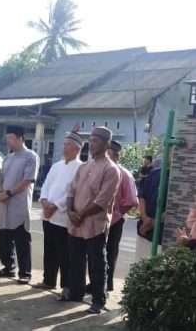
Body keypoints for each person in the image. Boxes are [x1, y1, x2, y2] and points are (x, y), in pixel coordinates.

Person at [65, 127, 120, 314]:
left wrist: (80, 215)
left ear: (106, 144)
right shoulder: (83, 167)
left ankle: (98, 300)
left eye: (95, 140)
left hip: (94, 224)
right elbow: (71, 190)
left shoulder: (111, 169)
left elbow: (102, 201)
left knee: (97, 264)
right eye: (90, 139)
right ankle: (75, 293)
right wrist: (71, 211)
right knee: (75, 260)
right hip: (76, 223)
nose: (91, 143)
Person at [34, 131, 83, 293]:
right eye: (64, 144)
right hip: (48, 214)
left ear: (77, 149)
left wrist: (55, 206)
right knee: (49, 250)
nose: (64, 147)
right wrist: (44, 202)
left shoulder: (80, 168)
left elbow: (73, 192)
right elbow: (46, 185)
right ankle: (48, 280)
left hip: (61, 216)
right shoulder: (57, 165)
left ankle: (66, 286)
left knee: (64, 253)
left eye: (68, 144)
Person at [0, 126, 39, 284]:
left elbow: (27, 180)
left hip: (19, 204)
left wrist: (8, 193)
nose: (8, 142)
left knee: (21, 239)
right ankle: (8, 267)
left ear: (21, 138)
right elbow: (1, 178)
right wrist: (0, 192)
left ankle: (25, 272)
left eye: (11, 138)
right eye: (7, 139)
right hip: (4, 204)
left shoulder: (31, 156)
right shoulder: (8, 158)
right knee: (5, 238)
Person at [104, 141, 138, 291]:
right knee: (97, 253)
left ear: (112, 154)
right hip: (99, 219)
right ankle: (96, 283)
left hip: (115, 221)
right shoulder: (103, 170)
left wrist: (116, 214)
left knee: (110, 253)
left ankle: (107, 284)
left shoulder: (124, 174)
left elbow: (131, 201)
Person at [136, 157, 166, 261]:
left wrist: (151, 223)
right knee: (140, 264)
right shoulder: (155, 173)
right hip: (144, 231)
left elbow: (173, 207)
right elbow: (142, 196)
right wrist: (144, 218)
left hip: (161, 235)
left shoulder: (179, 178)